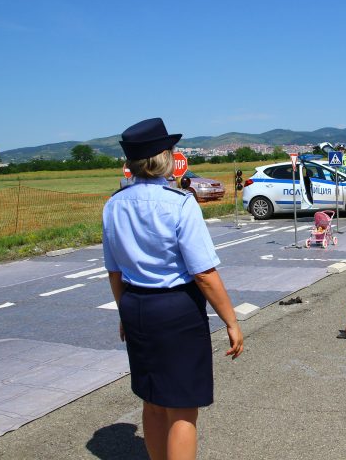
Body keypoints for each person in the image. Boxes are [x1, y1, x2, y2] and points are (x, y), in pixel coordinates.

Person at [102, 117, 244, 460]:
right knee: (182, 408)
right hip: (176, 309)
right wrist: (231, 320)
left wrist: (124, 312)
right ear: (163, 157)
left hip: (136, 305)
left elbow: (114, 272)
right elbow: (204, 273)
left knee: (152, 400)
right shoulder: (179, 202)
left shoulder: (113, 205)